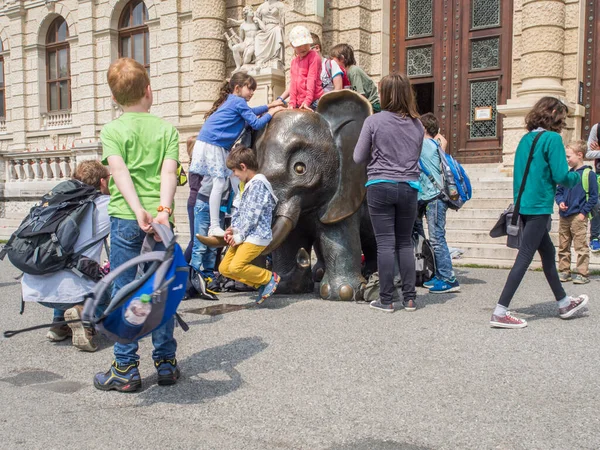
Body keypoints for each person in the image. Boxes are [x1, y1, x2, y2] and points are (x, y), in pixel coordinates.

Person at [94, 57, 180, 392]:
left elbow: (118, 172)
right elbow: (169, 173)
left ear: (114, 99)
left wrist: (137, 209)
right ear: (149, 91)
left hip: (127, 220)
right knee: (162, 292)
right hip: (162, 222)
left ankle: (126, 366)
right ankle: (166, 361)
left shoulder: (112, 130)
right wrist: (161, 210)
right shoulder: (166, 130)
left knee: (124, 291)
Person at [490, 97, 589, 329]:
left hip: (524, 204)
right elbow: (561, 176)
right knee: (524, 257)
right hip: (539, 205)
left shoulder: (526, 138)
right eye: (562, 116)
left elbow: (519, 174)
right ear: (554, 113)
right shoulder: (552, 139)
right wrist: (578, 174)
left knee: (548, 252)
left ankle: (564, 302)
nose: (563, 121)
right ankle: (500, 311)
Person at [21, 160, 110, 352]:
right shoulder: (105, 205)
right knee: (119, 280)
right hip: (71, 291)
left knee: (64, 262)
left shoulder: (55, 201)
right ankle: (83, 315)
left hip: (35, 287)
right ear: (102, 182)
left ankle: (58, 325)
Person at [353, 73, 424, 313]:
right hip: (409, 187)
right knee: (404, 243)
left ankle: (386, 300)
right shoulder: (418, 124)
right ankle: (410, 298)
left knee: (384, 243)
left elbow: (358, 157)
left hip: (380, 185)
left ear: (385, 95)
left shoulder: (374, 121)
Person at [189, 73, 284, 238]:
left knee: (232, 180)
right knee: (219, 183)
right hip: (214, 144)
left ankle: (235, 220)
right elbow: (255, 122)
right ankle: (214, 226)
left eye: (254, 89)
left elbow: (251, 111)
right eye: (250, 88)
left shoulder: (234, 101)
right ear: (237, 88)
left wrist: (269, 105)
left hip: (210, 142)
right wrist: (272, 112)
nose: (252, 92)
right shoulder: (238, 101)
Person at [219, 145, 280, 303]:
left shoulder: (258, 185)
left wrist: (239, 235)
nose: (234, 175)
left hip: (256, 236)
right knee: (224, 268)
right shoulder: (247, 185)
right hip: (244, 235)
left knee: (236, 267)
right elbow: (241, 212)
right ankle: (260, 283)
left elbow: (252, 216)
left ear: (243, 167)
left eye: (235, 171)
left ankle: (268, 278)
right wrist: (233, 229)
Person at [418, 113, 460, 293]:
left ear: (424, 129)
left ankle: (448, 278)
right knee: (433, 237)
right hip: (430, 197)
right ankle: (436, 272)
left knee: (436, 238)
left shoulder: (423, 145)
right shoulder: (435, 144)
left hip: (433, 197)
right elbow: (442, 140)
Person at [556, 140, 597, 285]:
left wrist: (583, 213)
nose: (567, 160)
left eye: (569, 156)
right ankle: (564, 271)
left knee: (580, 246)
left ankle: (582, 273)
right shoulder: (566, 174)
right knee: (563, 245)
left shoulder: (588, 174)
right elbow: (559, 191)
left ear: (580, 155)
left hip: (578, 216)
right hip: (564, 215)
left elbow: (593, 197)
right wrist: (560, 201)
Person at [330, 43, 381, 112]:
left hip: (372, 105)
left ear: (342, 58)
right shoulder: (346, 73)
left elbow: (360, 95)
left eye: (333, 59)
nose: (331, 62)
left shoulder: (353, 71)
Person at [287, 26, 324, 111]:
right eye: (299, 45)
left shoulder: (314, 56)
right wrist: (292, 102)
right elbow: (293, 84)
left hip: (314, 101)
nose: (303, 47)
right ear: (292, 46)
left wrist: (307, 101)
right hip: (299, 102)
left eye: (305, 44)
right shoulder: (294, 62)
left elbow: (312, 79)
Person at [584, 122, 600, 252]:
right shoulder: (597, 128)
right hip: (599, 174)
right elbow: (588, 153)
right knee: (596, 204)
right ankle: (595, 237)